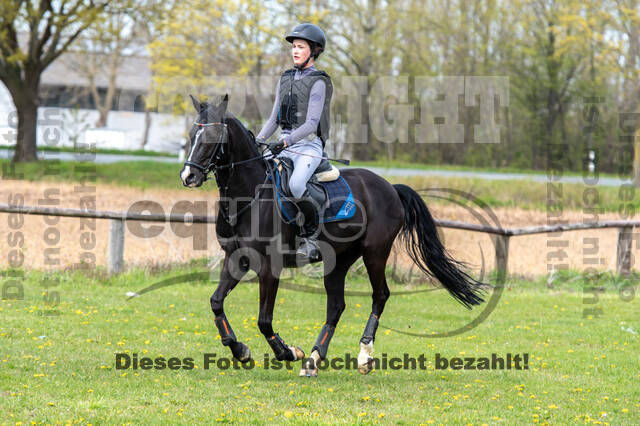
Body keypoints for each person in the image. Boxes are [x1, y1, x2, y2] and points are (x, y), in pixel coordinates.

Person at [256, 23, 333, 262]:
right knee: (258, 175)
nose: (295, 51)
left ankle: (311, 237)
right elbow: (274, 119)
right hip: (284, 144)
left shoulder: (319, 82)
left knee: (298, 184)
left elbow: (311, 124)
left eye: (301, 47)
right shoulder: (285, 78)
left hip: (308, 146)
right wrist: (257, 140)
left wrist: (286, 141)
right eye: (294, 47)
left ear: (314, 50)